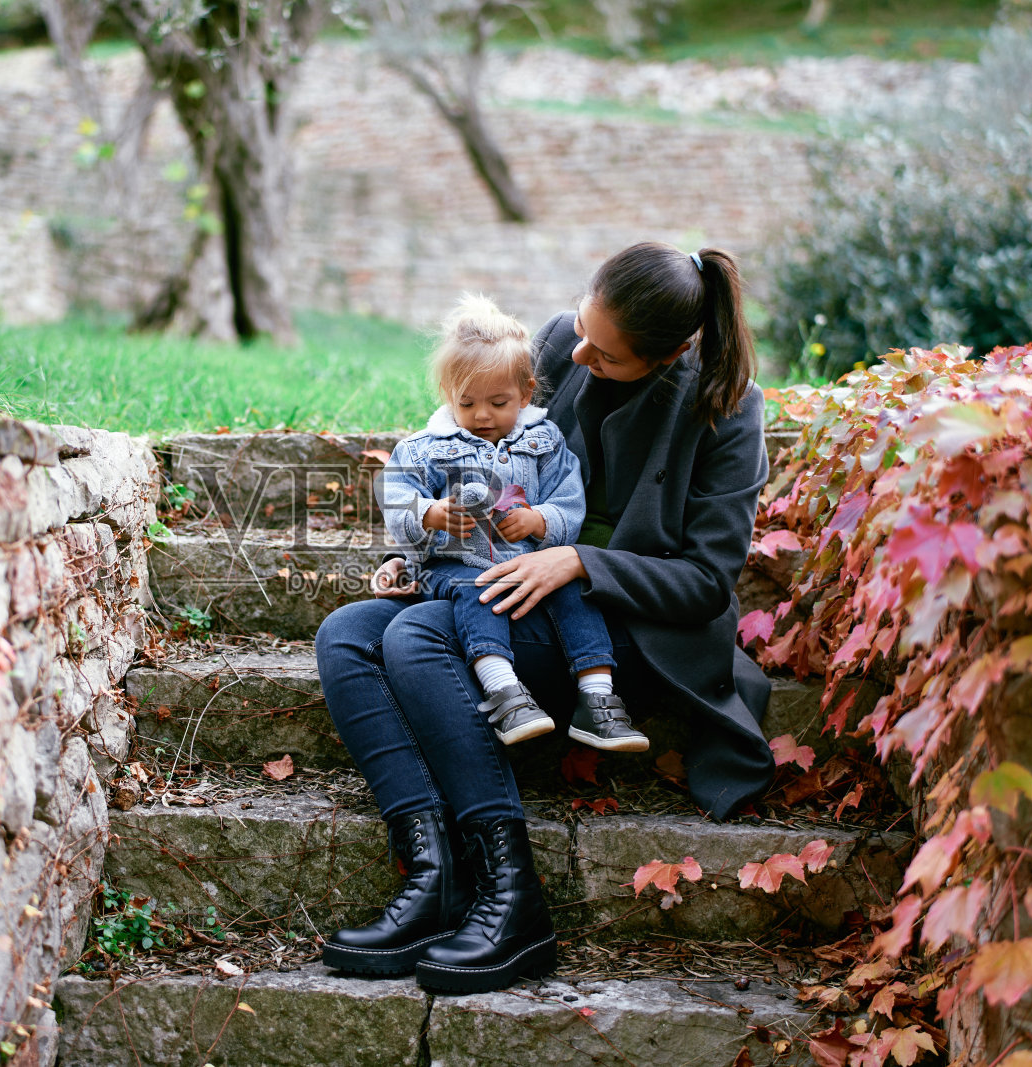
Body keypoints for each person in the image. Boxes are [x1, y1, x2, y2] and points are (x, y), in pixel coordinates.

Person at [316, 242, 775, 994]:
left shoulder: (727, 407)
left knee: (419, 636)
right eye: (584, 327)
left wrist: (580, 562)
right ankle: (433, 874)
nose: (578, 351)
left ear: (673, 353)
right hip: (501, 583)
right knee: (347, 635)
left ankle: (513, 895)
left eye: (608, 354)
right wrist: (430, 553)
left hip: (618, 627)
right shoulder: (561, 342)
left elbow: (706, 582)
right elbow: (478, 454)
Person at [378, 293, 648, 751]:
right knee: (479, 590)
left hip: (533, 564)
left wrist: (539, 521)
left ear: (525, 393)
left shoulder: (545, 442)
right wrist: (433, 514)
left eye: (499, 402)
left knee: (578, 593)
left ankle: (598, 700)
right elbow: (395, 498)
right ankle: (503, 691)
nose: (482, 415)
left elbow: (569, 500)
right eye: (467, 403)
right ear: (449, 397)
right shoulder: (424, 448)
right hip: (455, 566)